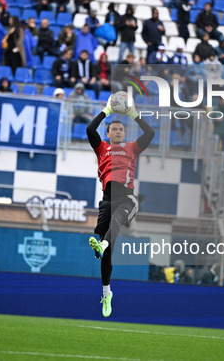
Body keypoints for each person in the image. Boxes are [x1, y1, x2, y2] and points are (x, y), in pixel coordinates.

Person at [86, 94, 155, 317]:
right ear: (108, 134)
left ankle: (103, 245)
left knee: (115, 224)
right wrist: (107, 110)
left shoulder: (132, 148)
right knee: (108, 253)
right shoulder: (102, 148)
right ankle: (107, 294)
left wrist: (133, 113)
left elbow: (151, 133)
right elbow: (89, 130)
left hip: (126, 198)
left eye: (121, 130)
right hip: (107, 199)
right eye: (114, 129)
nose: (118, 132)